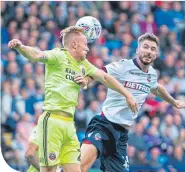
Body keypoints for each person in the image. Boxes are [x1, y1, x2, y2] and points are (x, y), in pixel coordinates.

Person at [8, 26, 137, 172]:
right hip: (52, 121)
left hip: (69, 125)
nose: (88, 49)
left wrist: (127, 94)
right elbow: (37, 55)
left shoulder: (84, 65)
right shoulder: (58, 55)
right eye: (86, 44)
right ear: (74, 44)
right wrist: (21, 47)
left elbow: (105, 78)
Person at [80, 33, 185, 172]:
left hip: (122, 135)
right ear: (137, 50)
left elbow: (157, 89)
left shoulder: (152, 74)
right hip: (104, 125)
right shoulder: (123, 66)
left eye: (153, 49)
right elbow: (100, 73)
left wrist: (173, 102)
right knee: (80, 166)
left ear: (155, 54)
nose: (149, 51)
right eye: (146, 47)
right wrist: (86, 80)